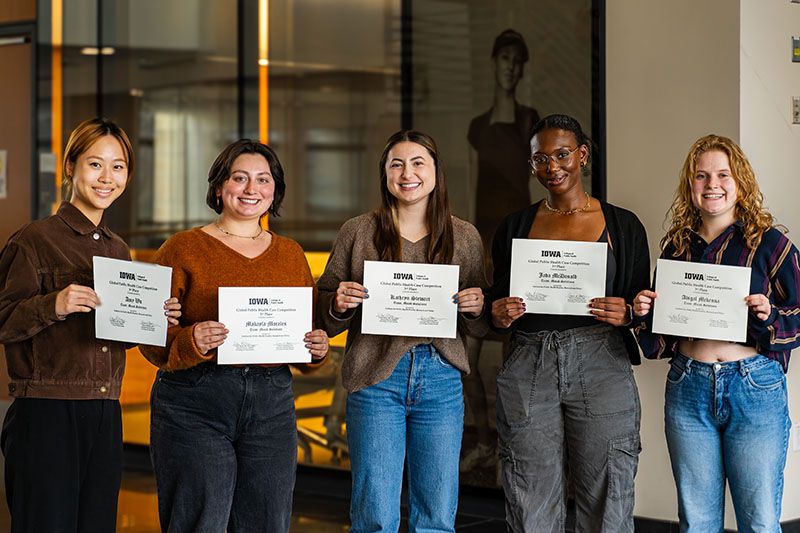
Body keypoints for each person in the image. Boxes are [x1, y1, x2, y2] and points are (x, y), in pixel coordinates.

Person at [139, 139, 330, 532]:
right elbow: (150, 333)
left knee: (267, 523)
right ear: (219, 186)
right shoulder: (183, 248)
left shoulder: (291, 254)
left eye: (263, 179)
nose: (250, 189)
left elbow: (304, 336)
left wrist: (317, 348)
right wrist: (191, 340)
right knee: (198, 523)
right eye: (239, 177)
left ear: (274, 190)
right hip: (194, 402)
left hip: (271, 404)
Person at [0, 117, 181, 532]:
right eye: (95, 164)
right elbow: (2, 320)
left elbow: (115, 333)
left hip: (104, 409)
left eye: (118, 167)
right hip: (47, 412)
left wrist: (153, 317)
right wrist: (54, 304)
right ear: (70, 168)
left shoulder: (118, 248)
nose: (107, 178)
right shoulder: (33, 240)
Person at [316, 130, 488, 532]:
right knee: (375, 514)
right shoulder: (357, 231)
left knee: (437, 514)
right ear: (385, 175)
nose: (407, 173)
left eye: (417, 163)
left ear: (435, 172)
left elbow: (479, 323)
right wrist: (337, 303)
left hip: (441, 379)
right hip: (376, 379)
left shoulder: (464, 236)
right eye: (396, 164)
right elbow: (324, 310)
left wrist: (477, 307)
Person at [488, 114, 650, 532]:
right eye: (540, 159)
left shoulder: (623, 225)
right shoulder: (514, 227)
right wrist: (498, 312)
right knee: (530, 495)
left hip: (600, 359)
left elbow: (642, 300)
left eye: (561, 154)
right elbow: (496, 303)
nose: (552, 167)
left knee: (608, 493)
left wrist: (628, 313)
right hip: (529, 360)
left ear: (582, 154)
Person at [633, 134, 798, 532]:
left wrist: (768, 313)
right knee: (697, 523)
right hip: (688, 386)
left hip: (754, 387)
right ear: (689, 185)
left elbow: (798, 313)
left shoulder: (771, 244)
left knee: (758, 522)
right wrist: (645, 311)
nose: (712, 185)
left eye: (723, 175)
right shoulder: (677, 247)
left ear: (739, 182)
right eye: (701, 176)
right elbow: (660, 338)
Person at [463, 29, 541, 474]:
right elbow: (473, 190)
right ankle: (485, 440)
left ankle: (513, 447)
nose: (510, 68)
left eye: (518, 61)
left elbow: (538, 189)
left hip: (520, 247)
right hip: (483, 247)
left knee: (514, 361)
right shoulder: (476, 127)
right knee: (469, 360)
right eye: (504, 59)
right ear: (494, 64)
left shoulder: (531, 119)